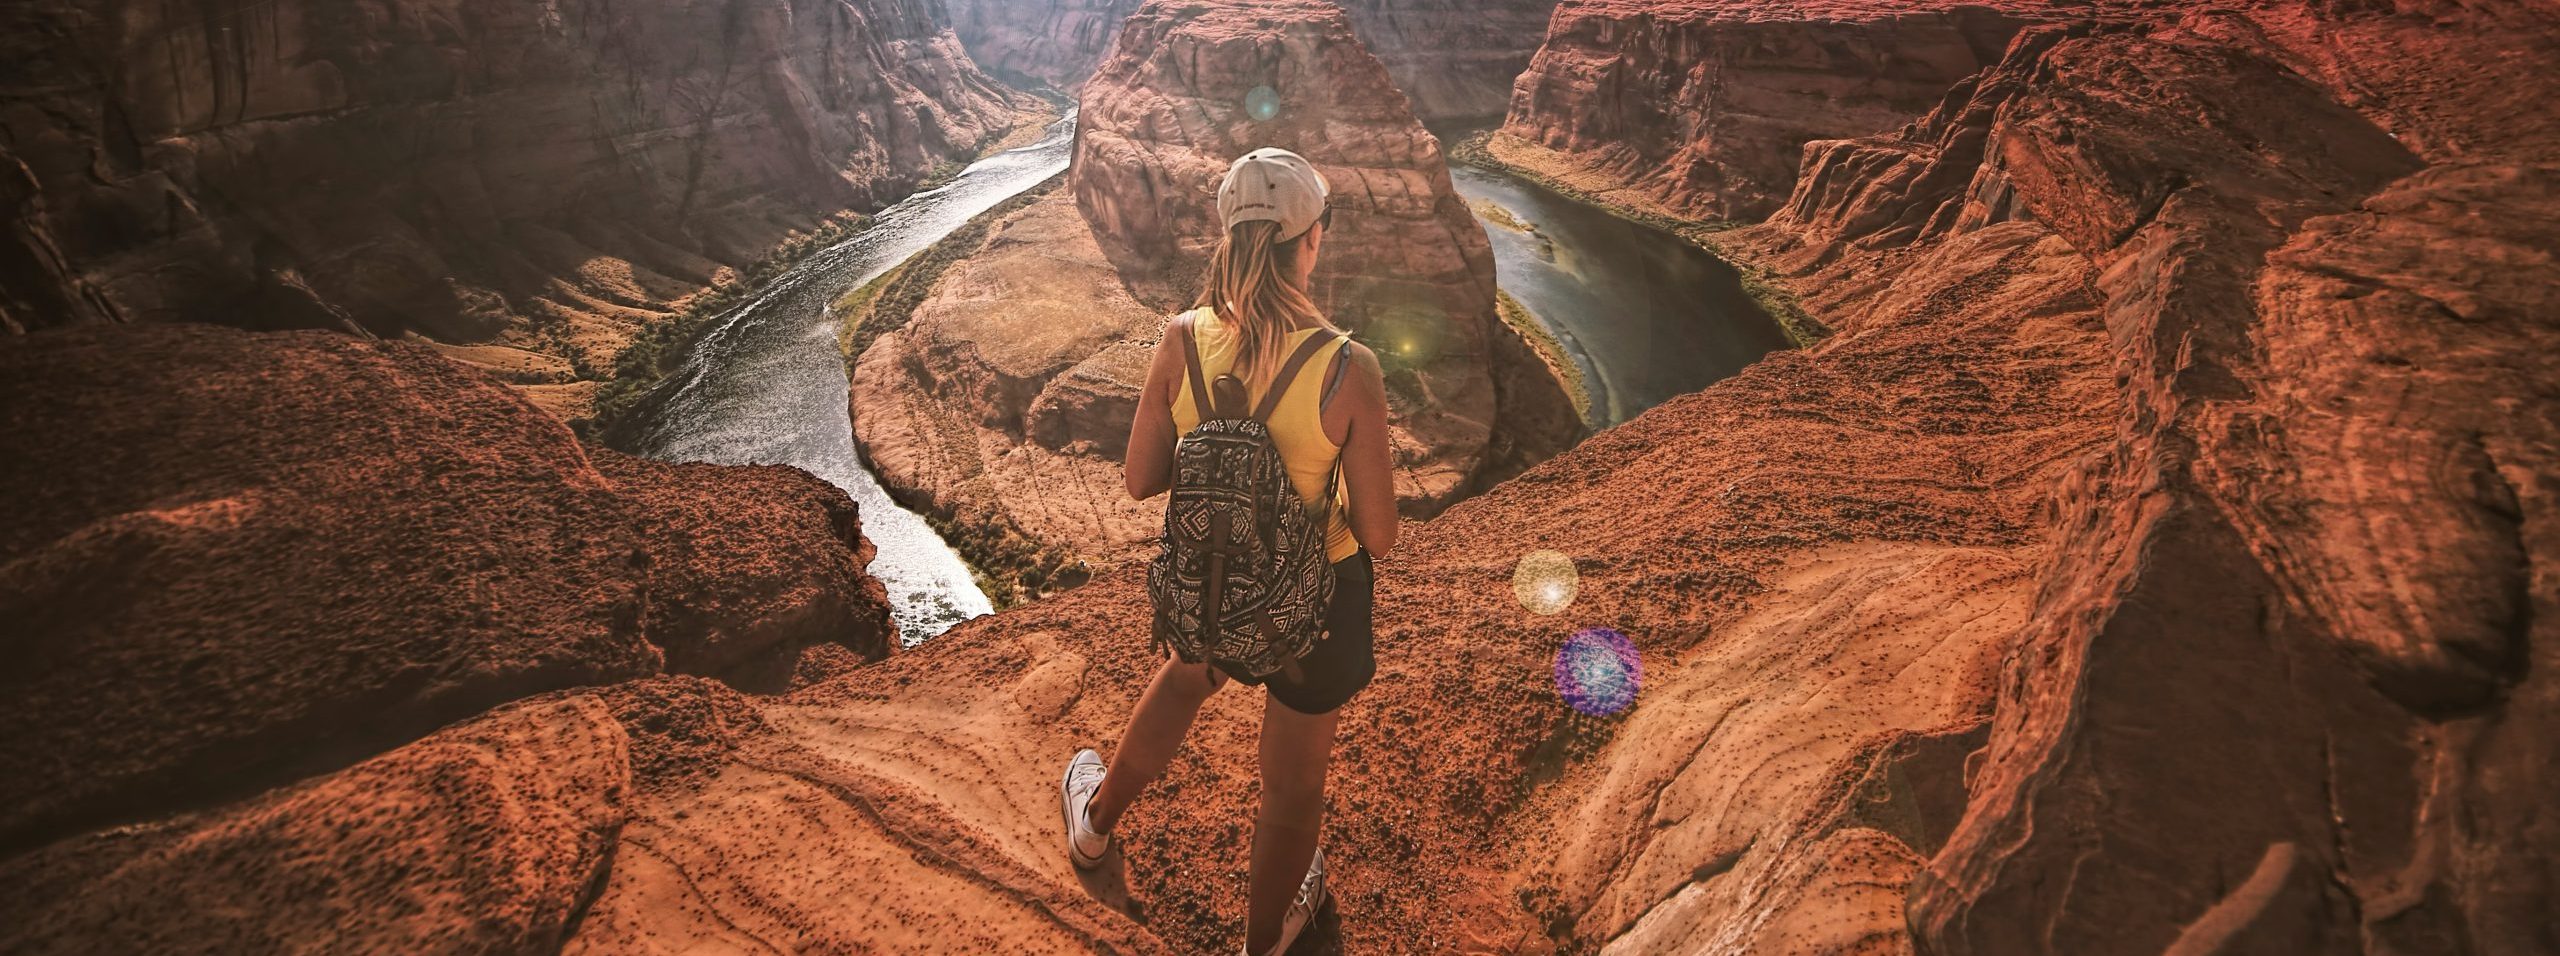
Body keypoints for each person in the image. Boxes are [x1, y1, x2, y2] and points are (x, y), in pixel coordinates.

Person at [1057, 147, 1400, 956]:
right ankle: (1263, 944)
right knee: (1290, 789)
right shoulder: (1349, 368)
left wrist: (1224, 466)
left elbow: (1142, 480)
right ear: (1312, 238)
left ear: (1228, 236)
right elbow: (1380, 535)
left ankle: (1095, 828)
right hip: (1318, 601)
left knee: (1185, 675)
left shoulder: (1180, 339)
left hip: (1214, 580)